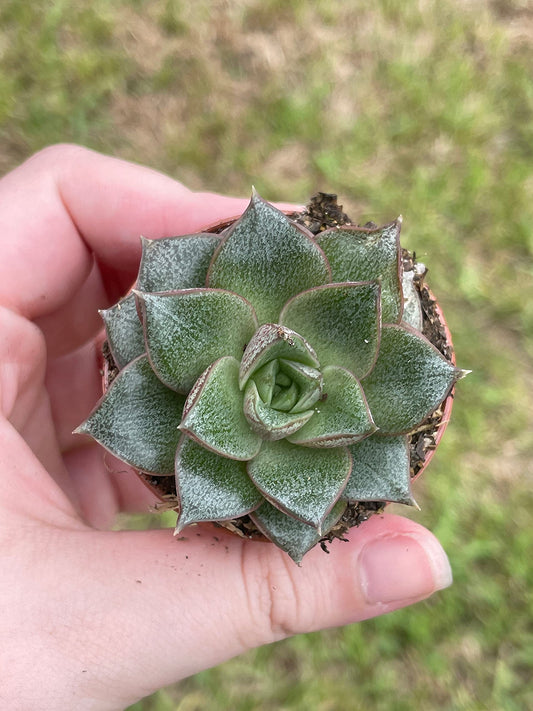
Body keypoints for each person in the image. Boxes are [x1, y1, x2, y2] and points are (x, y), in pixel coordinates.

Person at [0, 145, 453, 710]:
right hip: (204, 424)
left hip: (314, 441)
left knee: (417, 374)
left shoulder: (360, 389)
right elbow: (156, 322)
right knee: (155, 325)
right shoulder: (190, 350)